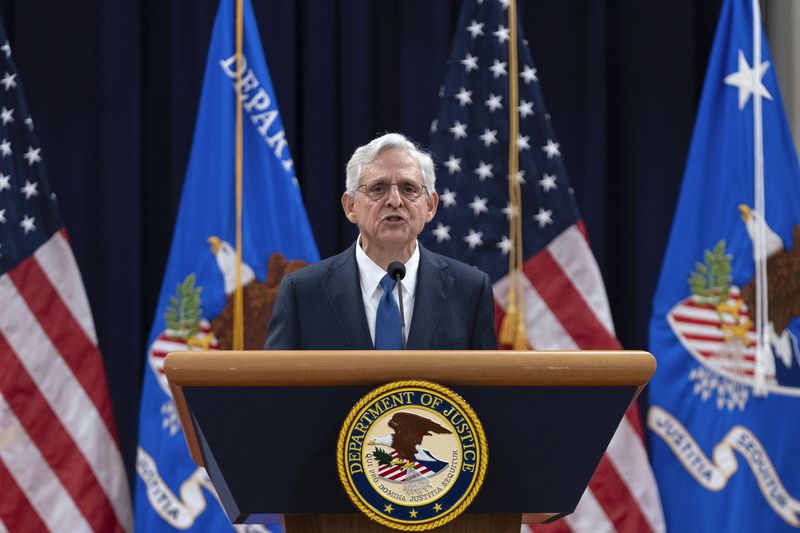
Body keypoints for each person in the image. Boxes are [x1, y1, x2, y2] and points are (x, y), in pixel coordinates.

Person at [264, 132, 496, 350]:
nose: (394, 200)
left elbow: (485, 390)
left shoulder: (470, 291)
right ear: (350, 206)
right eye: (378, 188)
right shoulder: (303, 293)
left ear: (430, 206)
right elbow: (276, 388)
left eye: (408, 188)